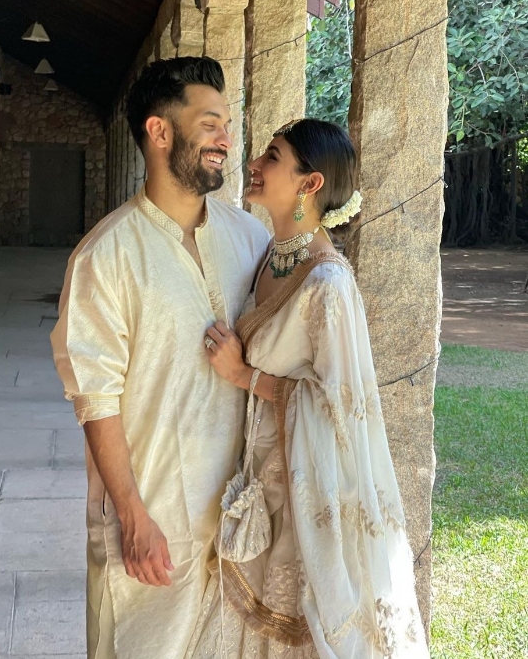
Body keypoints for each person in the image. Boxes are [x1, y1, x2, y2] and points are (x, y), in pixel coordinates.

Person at [50, 57, 270, 659]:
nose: (226, 140)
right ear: (159, 131)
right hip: (152, 521)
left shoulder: (251, 239)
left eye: (227, 125)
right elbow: (95, 398)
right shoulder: (106, 256)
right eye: (210, 124)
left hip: (238, 520)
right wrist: (132, 515)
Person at [187, 118, 430, 658]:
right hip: (259, 477)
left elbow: (339, 406)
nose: (253, 164)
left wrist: (242, 375)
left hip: (305, 493)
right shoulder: (267, 257)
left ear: (310, 183)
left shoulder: (328, 284)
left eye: (272, 157)